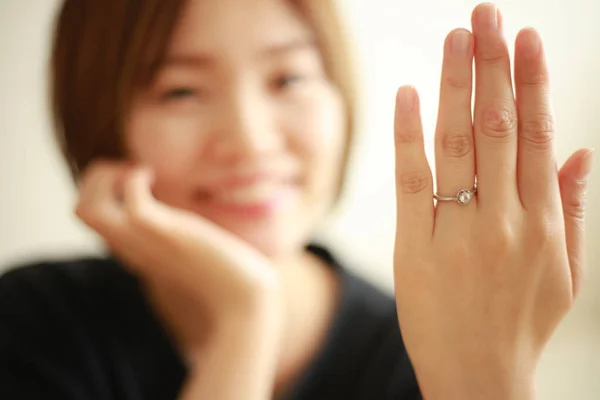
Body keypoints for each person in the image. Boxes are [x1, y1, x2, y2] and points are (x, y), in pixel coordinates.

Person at [0, 0, 593, 399]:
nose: (250, 140)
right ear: (100, 124)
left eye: (288, 78)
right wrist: (245, 320)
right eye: (180, 91)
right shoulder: (34, 324)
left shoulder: (424, 347)